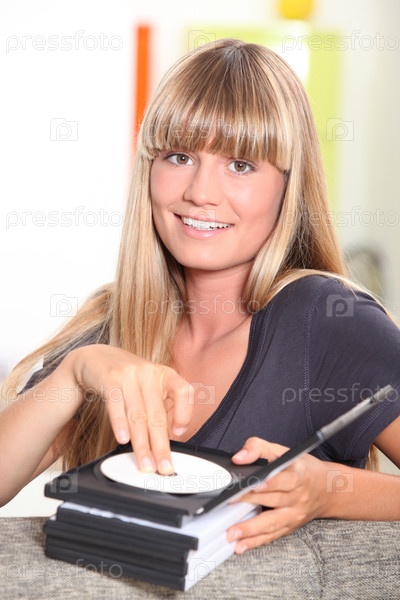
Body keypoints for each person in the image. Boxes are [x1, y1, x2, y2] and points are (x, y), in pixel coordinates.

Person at [1, 39, 399, 554]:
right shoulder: (109, 326)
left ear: (288, 185)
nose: (200, 192)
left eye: (241, 164)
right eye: (180, 156)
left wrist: (330, 490)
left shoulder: (328, 320)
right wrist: (73, 374)